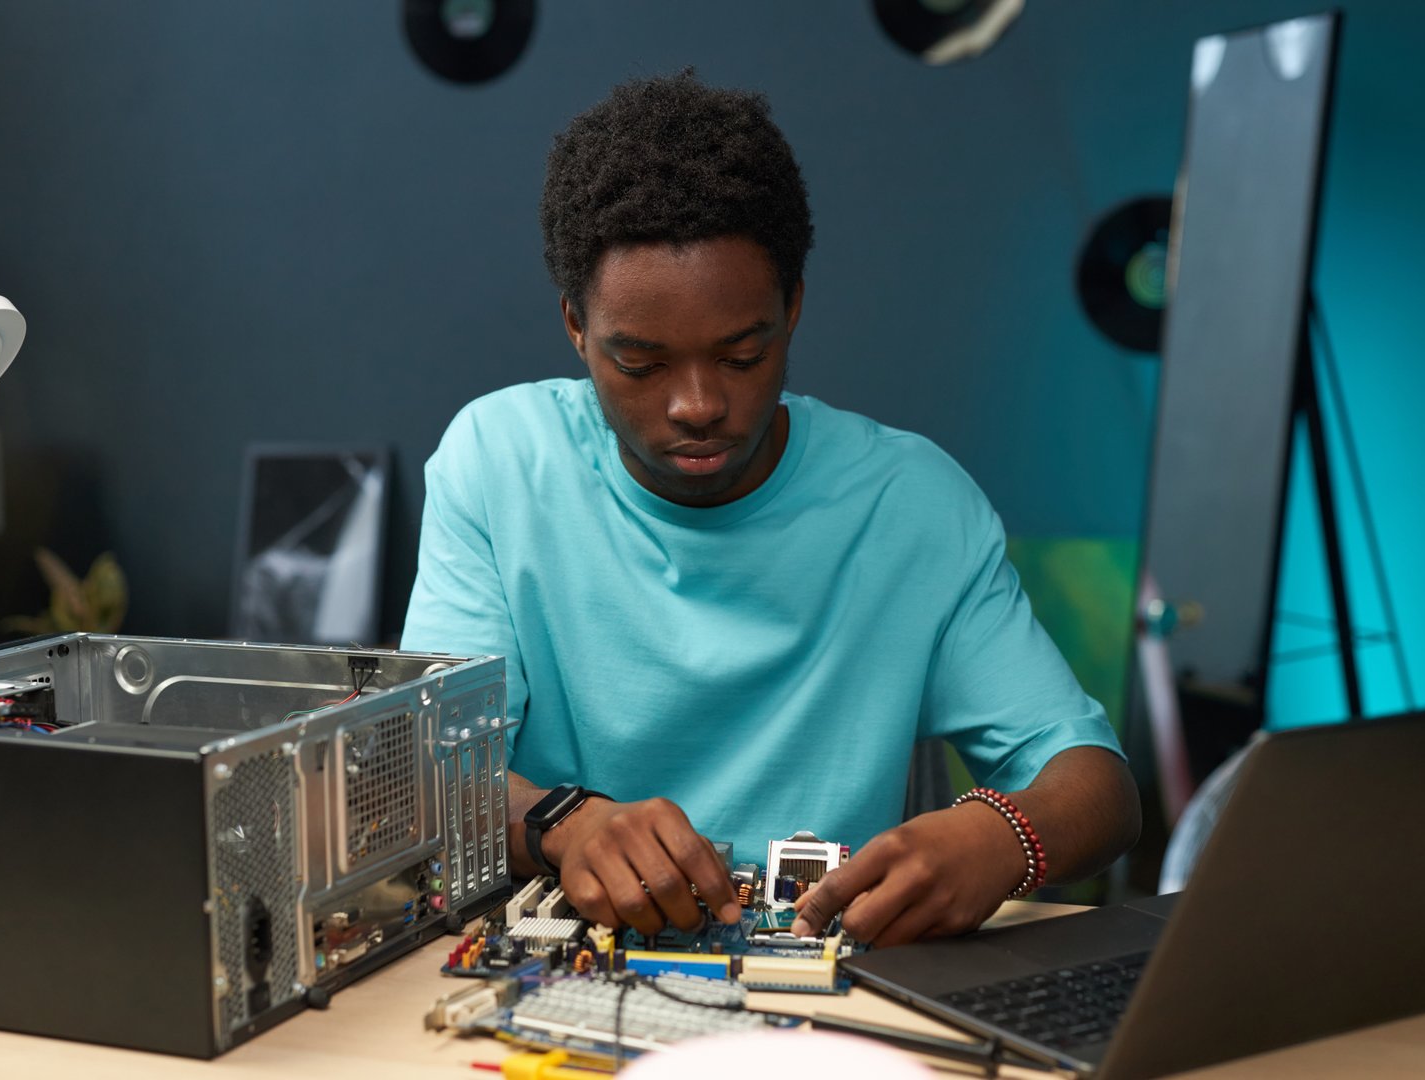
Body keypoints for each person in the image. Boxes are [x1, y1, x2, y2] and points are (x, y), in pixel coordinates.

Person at [400, 71, 1139, 946]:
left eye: (743, 353)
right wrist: (567, 820)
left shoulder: (913, 508)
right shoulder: (499, 464)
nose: (698, 405)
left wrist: (1002, 837)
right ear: (575, 326)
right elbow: (426, 780)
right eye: (641, 364)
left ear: (792, 308)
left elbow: (1100, 786)